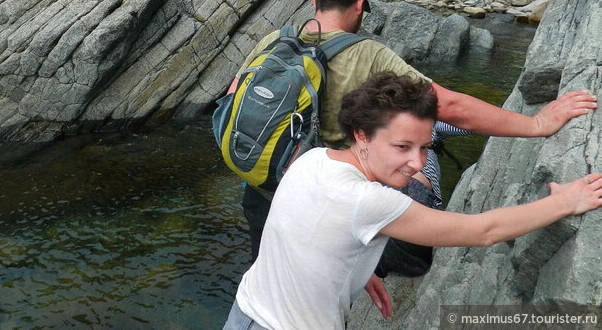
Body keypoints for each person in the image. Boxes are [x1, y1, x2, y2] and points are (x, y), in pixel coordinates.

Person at [227, 0, 596, 263]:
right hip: (340, 194)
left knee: (274, 262)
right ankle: (430, 146)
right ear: (360, 5)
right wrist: (536, 123)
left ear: (315, 3)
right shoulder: (364, 51)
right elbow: (448, 105)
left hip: (265, 179)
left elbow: (232, 98)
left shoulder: (275, 40)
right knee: (425, 156)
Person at [223, 72, 602, 330]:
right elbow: (482, 231)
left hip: (243, 312)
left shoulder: (311, 158)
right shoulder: (369, 201)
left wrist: (354, 268)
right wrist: (566, 202)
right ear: (362, 135)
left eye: (423, 146)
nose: (417, 162)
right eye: (402, 146)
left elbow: (295, 225)